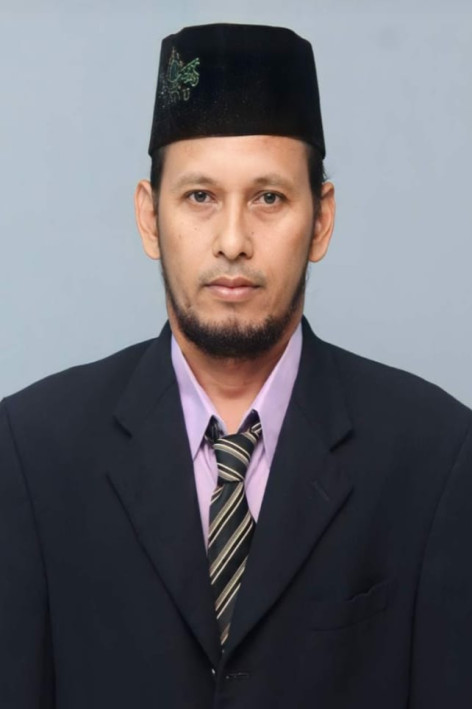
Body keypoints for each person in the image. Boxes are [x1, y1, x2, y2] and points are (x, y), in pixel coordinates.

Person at [1, 22, 471, 709]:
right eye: (200, 196)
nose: (232, 241)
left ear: (321, 220)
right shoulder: (32, 451)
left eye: (268, 197)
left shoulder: (436, 455)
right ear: (149, 217)